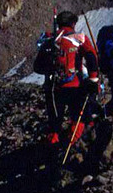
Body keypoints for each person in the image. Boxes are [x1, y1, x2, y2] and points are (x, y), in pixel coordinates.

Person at [34, 10, 99, 145]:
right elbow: (92, 57)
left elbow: (37, 67)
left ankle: (52, 146)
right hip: (75, 85)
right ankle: (71, 144)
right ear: (73, 23)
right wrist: (93, 79)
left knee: (55, 121)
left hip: (53, 88)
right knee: (78, 117)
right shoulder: (79, 38)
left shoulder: (49, 40)